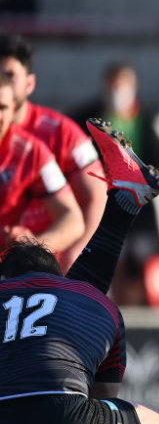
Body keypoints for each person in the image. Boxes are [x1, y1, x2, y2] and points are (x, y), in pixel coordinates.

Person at [0, 117, 159, 424]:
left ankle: (126, 200)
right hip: (70, 422)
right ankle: (125, 202)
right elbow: (105, 396)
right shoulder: (94, 302)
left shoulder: (40, 142)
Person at [68, 60, 159, 304]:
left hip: (141, 208)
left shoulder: (145, 118)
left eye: (124, 84)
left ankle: (143, 308)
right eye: (114, 84)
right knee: (111, 256)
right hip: (104, 202)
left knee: (143, 261)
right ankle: (112, 305)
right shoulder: (86, 118)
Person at [0, 34, 106, 271]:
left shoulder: (59, 135)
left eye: (9, 75)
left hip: (45, 267)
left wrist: (77, 253)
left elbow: (97, 197)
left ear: (29, 84)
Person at [0, 73, 84, 255]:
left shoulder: (31, 152)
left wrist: (32, 249)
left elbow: (73, 221)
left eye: (2, 107)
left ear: (13, 109)